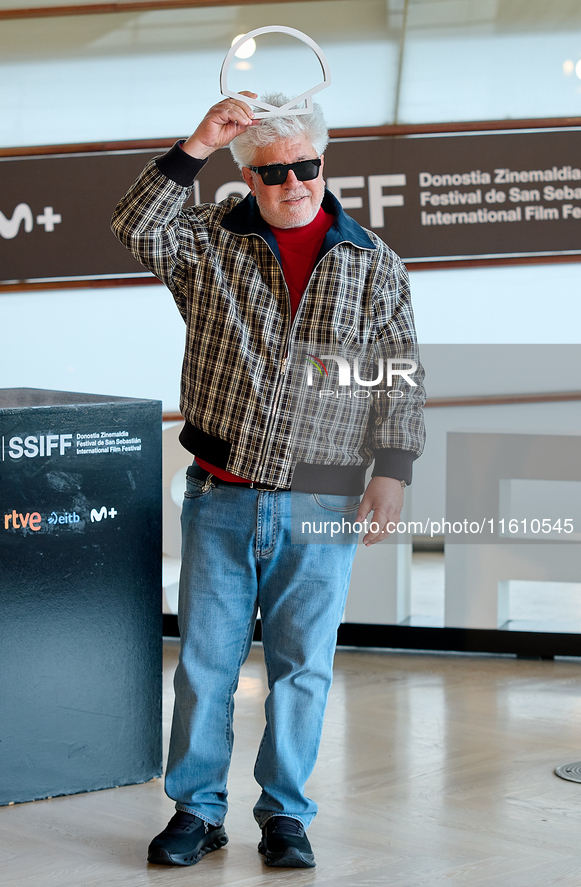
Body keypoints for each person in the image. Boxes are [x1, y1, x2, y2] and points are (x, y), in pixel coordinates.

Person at [111, 90, 425, 869]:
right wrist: (197, 142)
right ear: (247, 176)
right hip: (219, 496)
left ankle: (284, 814)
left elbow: (400, 376)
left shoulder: (372, 263)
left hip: (323, 500)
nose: (295, 183)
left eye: (307, 167)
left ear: (325, 164)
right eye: (274, 171)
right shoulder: (207, 243)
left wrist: (393, 470)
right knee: (204, 667)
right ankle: (196, 810)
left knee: (302, 670)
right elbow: (133, 224)